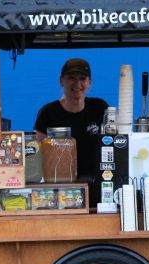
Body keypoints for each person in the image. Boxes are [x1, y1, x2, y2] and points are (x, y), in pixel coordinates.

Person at [34, 57, 109, 185]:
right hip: (61, 186)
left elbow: (114, 142)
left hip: (98, 183)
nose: (77, 84)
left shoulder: (100, 108)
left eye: (82, 78)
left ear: (90, 82)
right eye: (71, 78)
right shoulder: (48, 112)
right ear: (61, 81)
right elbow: (38, 154)